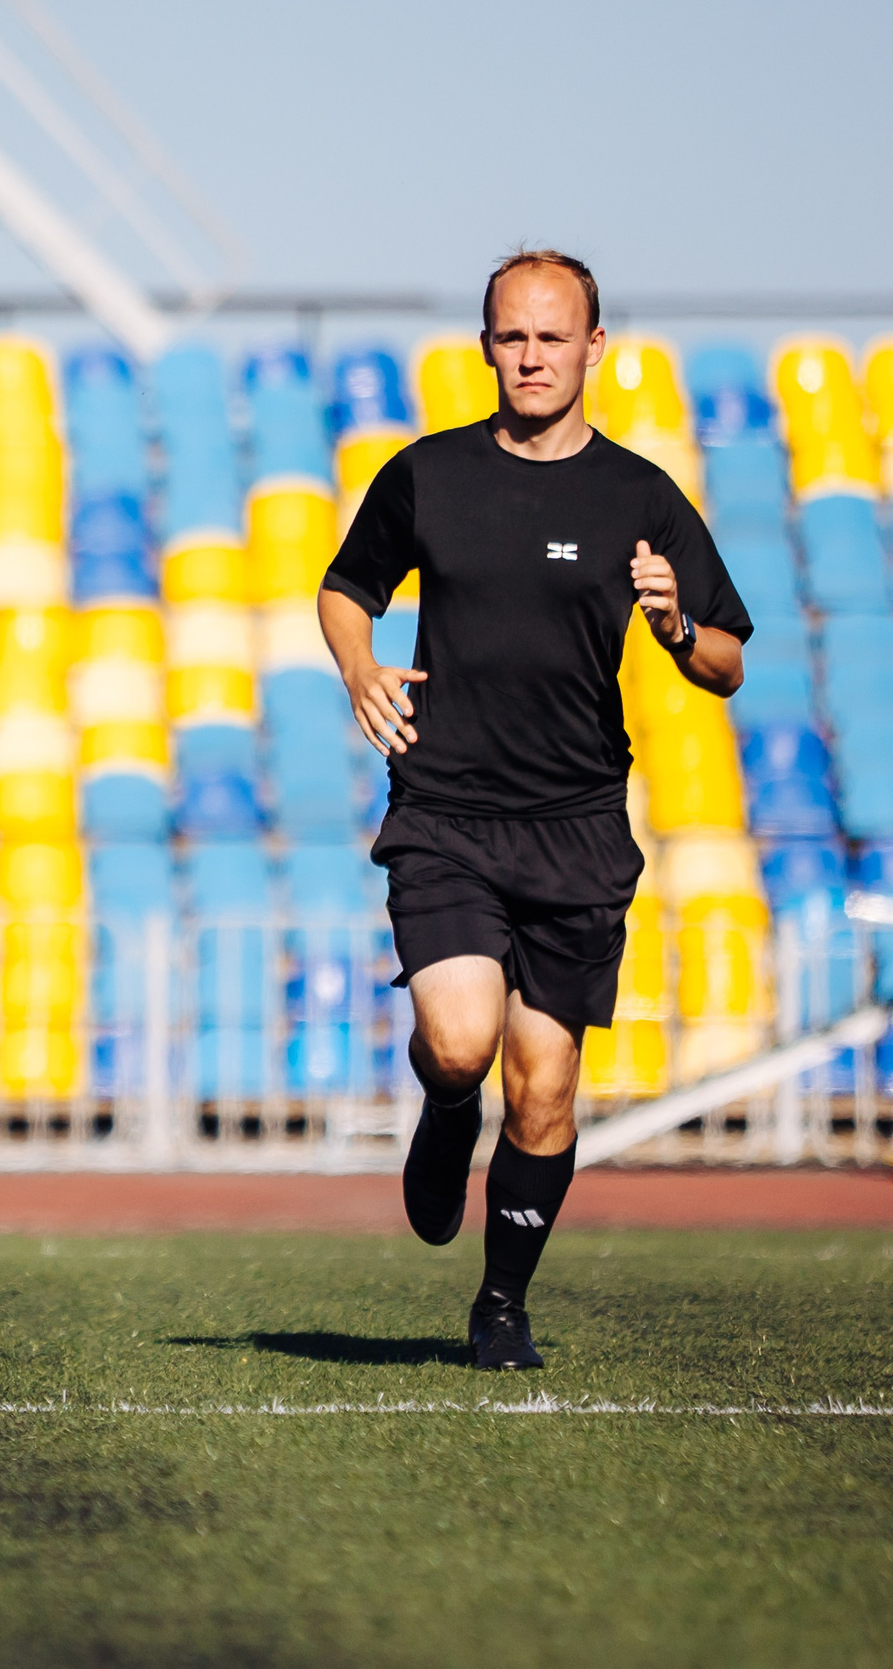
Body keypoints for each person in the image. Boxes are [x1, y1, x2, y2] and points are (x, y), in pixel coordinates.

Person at [320, 248, 749, 1370]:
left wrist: (671, 625)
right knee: (461, 1046)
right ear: (484, 347)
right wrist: (359, 665)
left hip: (575, 824)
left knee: (547, 1090)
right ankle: (441, 1105)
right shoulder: (429, 473)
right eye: (511, 336)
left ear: (592, 349)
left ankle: (500, 1302)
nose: (530, 356)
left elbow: (727, 658)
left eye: (551, 337)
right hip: (448, 811)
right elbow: (344, 586)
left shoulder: (639, 495)